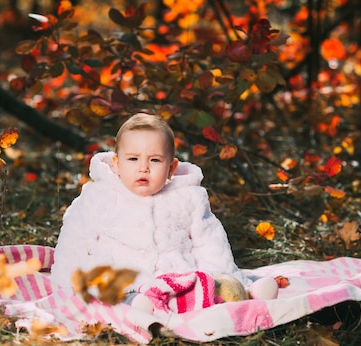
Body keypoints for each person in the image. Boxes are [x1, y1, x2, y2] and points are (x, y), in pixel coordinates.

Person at [51, 113, 259, 308]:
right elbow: (74, 240)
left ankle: (246, 294)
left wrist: (230, 279)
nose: (144, 167)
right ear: (117, 164)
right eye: (133, 159)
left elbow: (209, 242)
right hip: (119, 279)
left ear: (171, 168)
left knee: (205, 291)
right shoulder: (100, 195)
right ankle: (141, 307)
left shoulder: (188, 197)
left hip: (176, 278)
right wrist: (65, 286)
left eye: (155, 160)